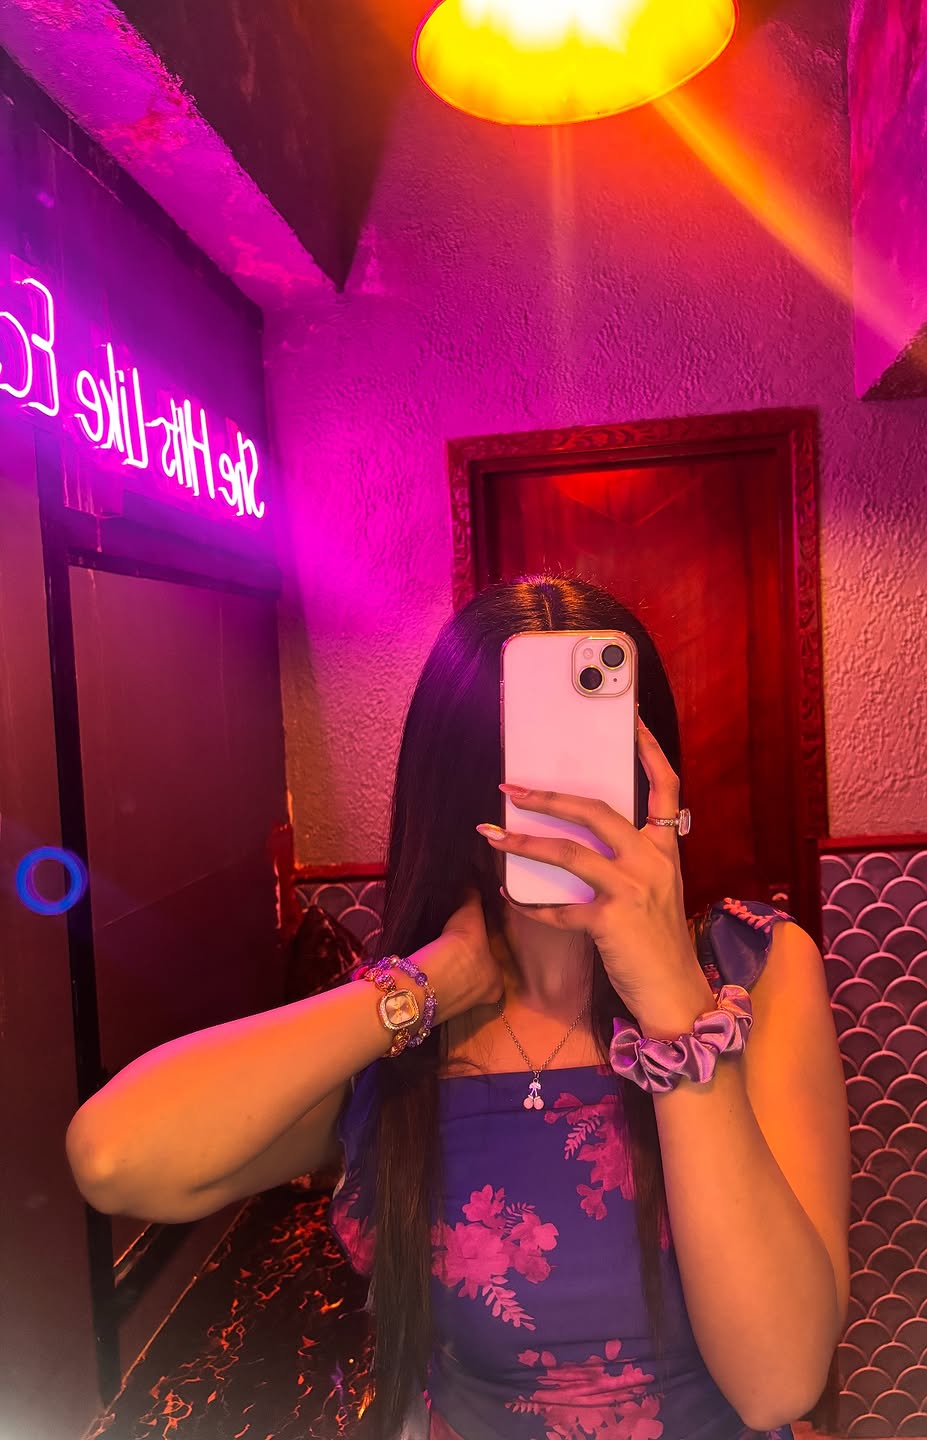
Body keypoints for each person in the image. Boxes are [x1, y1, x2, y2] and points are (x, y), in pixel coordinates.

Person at [65, 574, 850, 1440]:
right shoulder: (407, 1028)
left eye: (587, 762)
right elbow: (115, 1157)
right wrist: (434, 982)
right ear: (456, 795)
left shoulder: (753, 972)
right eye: (523, 773)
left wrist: (671, 1003)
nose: (559, 809)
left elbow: (779, 1382)